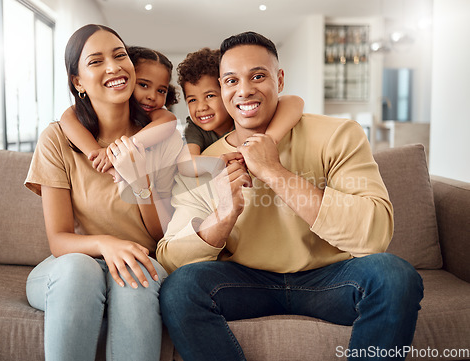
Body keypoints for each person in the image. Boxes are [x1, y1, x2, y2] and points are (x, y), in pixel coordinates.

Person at [157, 31, 424, 361]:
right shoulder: (206, 163)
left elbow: (374, 235)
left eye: (258, 76)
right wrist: (222, 217)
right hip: (246, 282)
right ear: (223, 89)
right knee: (180, 288)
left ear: (279, 80)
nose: (244, 90)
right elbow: (170, 257)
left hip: (330, 279)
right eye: (231, 81)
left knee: (394, 275)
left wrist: (275, 173)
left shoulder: (338, 134)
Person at [24, 24, 183, 361]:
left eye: (120, 55)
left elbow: (160, 234)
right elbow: (59, 241)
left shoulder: (161, 138)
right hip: (70, 269)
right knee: (79, 268)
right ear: (77, 82)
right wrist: (104, 244)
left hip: (139, 261)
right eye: (96, 61)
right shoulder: (57, 138)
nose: (113, 67)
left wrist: (138, 179)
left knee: (134, 276)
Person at [176, 47, 304, 177]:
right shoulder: (194, 129)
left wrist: (269, 139)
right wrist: (218, 162)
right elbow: (185, 163)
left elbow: (294, 101)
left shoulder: (242, 116)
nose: (201, 107)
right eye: (192, 100)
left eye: (210, 96)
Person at [59, 45, 179, 180]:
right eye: (144, 85)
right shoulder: (95, 110)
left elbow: (169, 120)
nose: (152, 96)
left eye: (161, 91)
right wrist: (99, 154)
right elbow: (67, 117)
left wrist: (117, 152)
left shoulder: (151, 113)